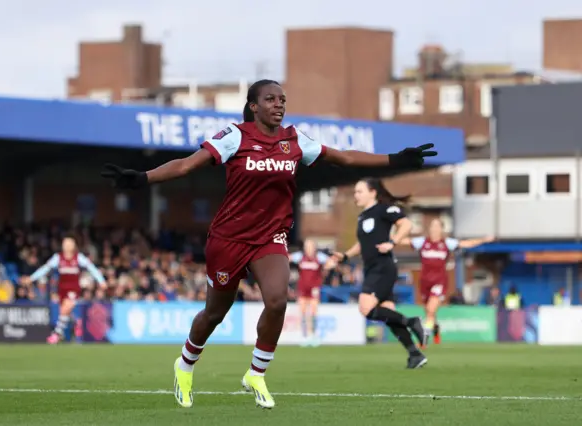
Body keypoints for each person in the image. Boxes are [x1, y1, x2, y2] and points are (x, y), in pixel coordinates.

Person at [101, 79, 436, 409]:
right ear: (253, 106)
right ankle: (185, 364)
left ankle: (256, 373)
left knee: (277, 301)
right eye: (271, 99)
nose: (279, 105)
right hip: (228, 239)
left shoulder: (294, 141)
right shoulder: (235, 137)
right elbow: (188, 164)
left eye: (282, 99)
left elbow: (344, 159)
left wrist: (396, 160)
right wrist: (143, 178)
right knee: (215, 313)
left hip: (270, 236)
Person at [333, 178, 427, 369]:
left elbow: (406, 225)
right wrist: (345, 256)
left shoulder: (384, 209)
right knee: (388, 314)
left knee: (365, 308)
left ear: (372, 192)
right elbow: (363, 244)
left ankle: (412, 321)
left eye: (359, 191)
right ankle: (415, 354)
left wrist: (392, 243)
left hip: (382, 267)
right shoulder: (363, 216)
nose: (355, 196)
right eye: (355, 192)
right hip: (372, 268)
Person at [397, 218, 493, 346]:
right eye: (432, 226)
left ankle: (423, 339)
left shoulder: (447, 243)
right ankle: (435, 328)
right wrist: (389, 237)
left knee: (431, 309)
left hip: (439, 282)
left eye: (437, 226)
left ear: (441, 229)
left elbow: (466, 244)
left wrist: (483, 240)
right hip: (425, 282)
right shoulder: (422, 242)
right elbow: (403, 241)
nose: (434, 229)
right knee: (428, 312)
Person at [28, 236, 106, 344]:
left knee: (65, 308)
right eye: (65, 243)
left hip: (73, 289)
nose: (67, 245)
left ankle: (57, 334)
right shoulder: (58, 258)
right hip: (62, 289)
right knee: (64, 312)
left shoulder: (78, 258)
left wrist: (101, 280)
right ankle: (76, 322)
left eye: (70, 243)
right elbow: (45, 268)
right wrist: (31, 278)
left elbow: (91, 268)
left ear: (74, 246)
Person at [288, 238, 336, 347]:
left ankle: (313, 335)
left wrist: (327, 267)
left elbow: (331, 263)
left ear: (314, 247)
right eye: (307, 246)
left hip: (314, 288)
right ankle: (304, 336)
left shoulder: (319, 257)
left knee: (313, 312)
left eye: (310, 246)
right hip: (302, 288)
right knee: (303, 313)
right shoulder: (300, 256)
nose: (309, 249)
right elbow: (288, 258)